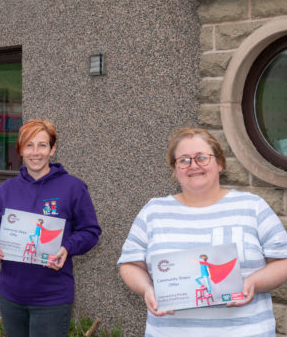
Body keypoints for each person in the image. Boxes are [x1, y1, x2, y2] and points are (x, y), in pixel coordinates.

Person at [118, 127, 287, 336]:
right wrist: (147, 289)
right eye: (184, 160)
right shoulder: (154, 211)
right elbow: (130, 265)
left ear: (220, 163)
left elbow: (283, 261)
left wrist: (253, 282)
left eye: (201, 158)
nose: (193, 166)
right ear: (175, 168)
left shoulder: (252, 207)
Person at [0, 119, 102, 337]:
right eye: (29, 145)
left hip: (52, 298)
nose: (35, 152)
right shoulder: (5, 191)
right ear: (20, 150)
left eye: (42, 145)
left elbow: (91, 232)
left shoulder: (73, 188)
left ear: (52, 149)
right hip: (11, 296)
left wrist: (67, 247)